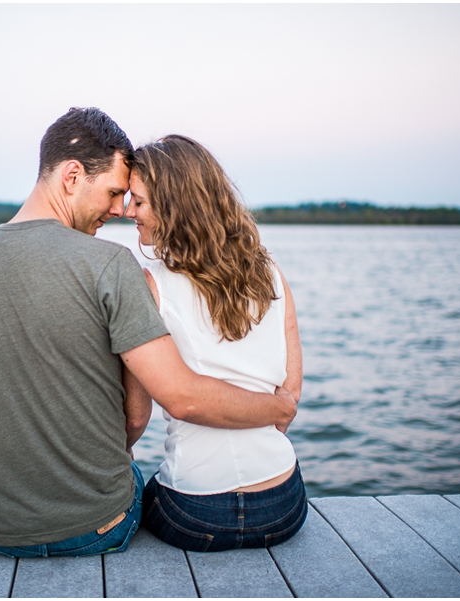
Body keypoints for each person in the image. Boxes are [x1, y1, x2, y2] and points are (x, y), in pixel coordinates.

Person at [0, 108, 297, 558]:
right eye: (116, 192)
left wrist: (8, 459)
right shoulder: (114, 266)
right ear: (72, 175)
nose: (120, 210)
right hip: (102, 526)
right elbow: (137, 419)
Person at [124, 134, 308, 552]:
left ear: (173, 206)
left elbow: (137, 415)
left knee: (137, 491)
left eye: (139, 201)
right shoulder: (270, 274)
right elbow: (289, 395)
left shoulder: (149, 285)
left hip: (195, 514)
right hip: (285, 505)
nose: (127, 211)